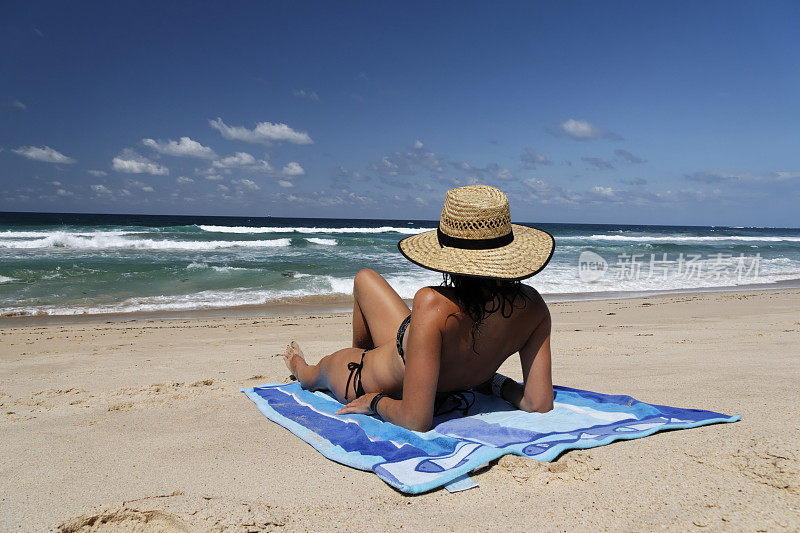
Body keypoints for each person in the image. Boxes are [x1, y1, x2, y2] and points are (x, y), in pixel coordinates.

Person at [281, 184, 555, 432]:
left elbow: (416, 420)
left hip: (363, 378)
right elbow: (538, 402)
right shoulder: (534, 308)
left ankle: (297, 363)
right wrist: (492, 382)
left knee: (312, 376)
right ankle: (366, 352)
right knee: (365, 279)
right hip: (417, 357)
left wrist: (375, 401)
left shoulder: (434, 304)